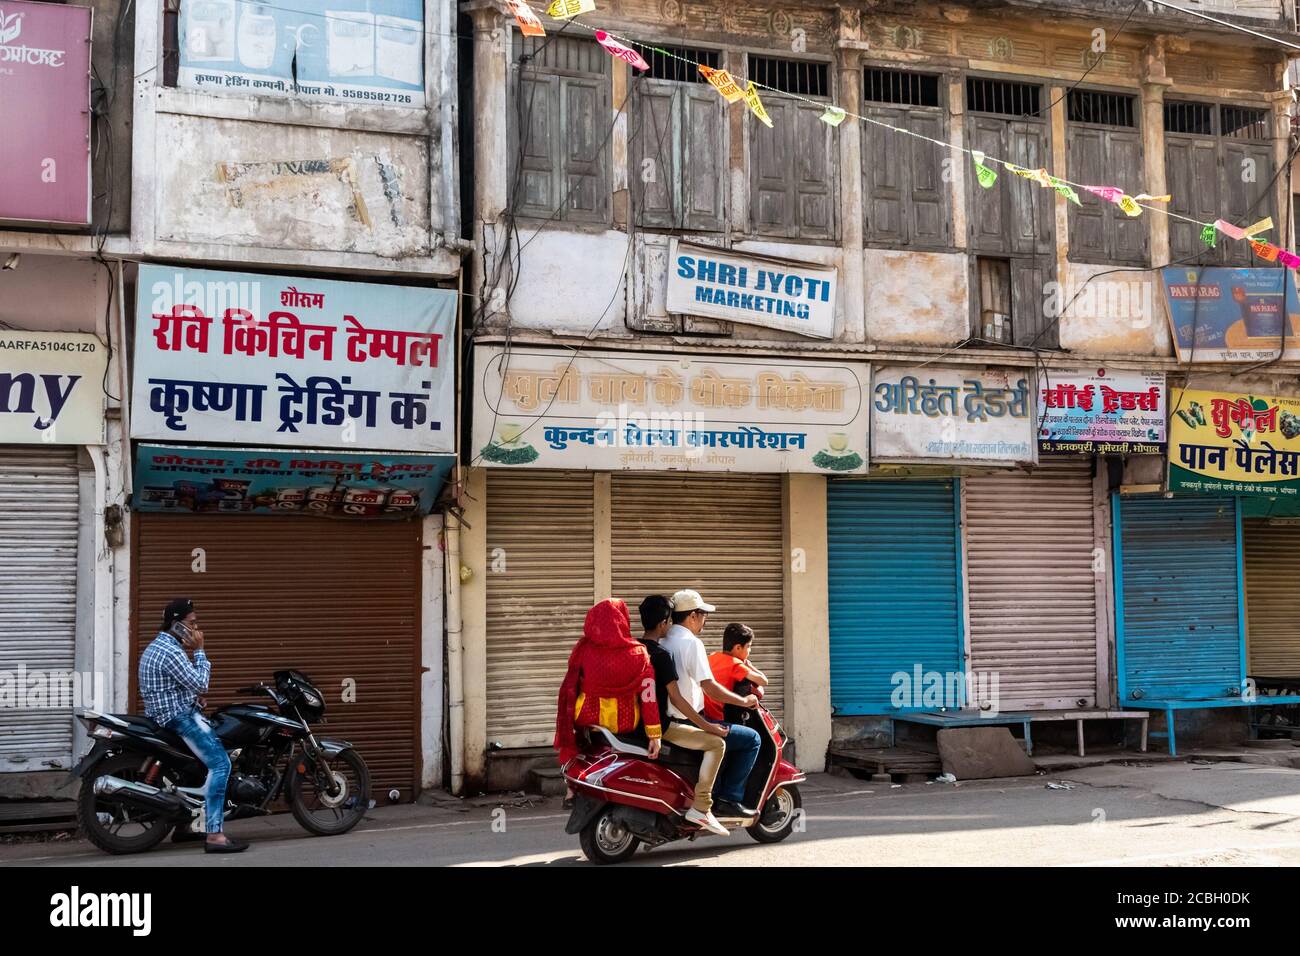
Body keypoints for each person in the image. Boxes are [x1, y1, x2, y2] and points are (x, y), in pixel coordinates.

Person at [137, 598, 248, 853]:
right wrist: (200, 650)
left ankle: (185, 826)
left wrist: (193, 698)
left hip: (169, 713)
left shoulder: (158, 647)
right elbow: (201, 683)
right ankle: (215, 836)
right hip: (178, 719)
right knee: (221, 764)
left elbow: (171, 688)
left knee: (197, 766)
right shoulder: (172, 651)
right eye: (192, 623)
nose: (196, 629)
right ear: (177, 625)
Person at [660, 590, 762, 819]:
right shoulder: (691, 643)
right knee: (751, 739)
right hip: (689, 721)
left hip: (668, 720)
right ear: (693, 616)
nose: (705, 620)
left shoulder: (662, 639)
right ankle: (729, 798)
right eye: (703, 615)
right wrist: (744, 700)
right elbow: (710, 687)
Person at [638, 594, 728, 837]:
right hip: (662, 725)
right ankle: (702, 806)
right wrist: (708, 726)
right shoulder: (662, 654)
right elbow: (677, 699)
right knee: (717, 744)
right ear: (663, 623)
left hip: (635, 725)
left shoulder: (634, 648)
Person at [555, 598, 663, 769]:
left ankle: (572, 787)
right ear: (622, 620)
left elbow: (571, 686)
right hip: (624, 723)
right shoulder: (639, 652)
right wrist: (654, 734)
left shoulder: (584, 649)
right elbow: (648, 696)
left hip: (587, 719)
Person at [704, 623, 769, 725]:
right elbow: (763, 681)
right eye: (749, 646)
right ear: (738, 648)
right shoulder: (735, 664)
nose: (750, 650)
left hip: (703, 714)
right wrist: (750, 666)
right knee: (753, 738)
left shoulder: (712, 656)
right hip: (718, 717)